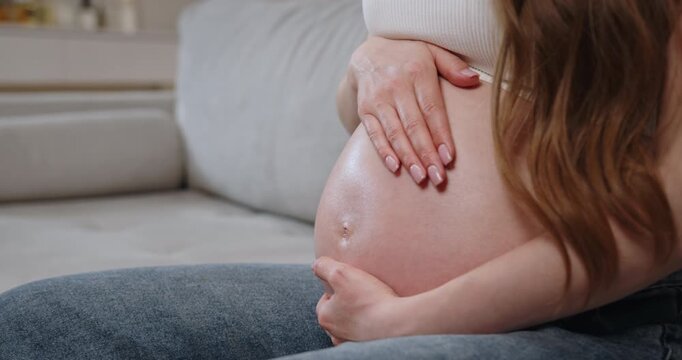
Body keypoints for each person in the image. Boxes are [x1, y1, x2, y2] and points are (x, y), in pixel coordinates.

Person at [1, 1, 681, 359]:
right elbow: (356, 109)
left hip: (602, 312)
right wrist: (371, 62)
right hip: (362, 301)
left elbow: (668, 214)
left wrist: (406, 322)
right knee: (38, 326)